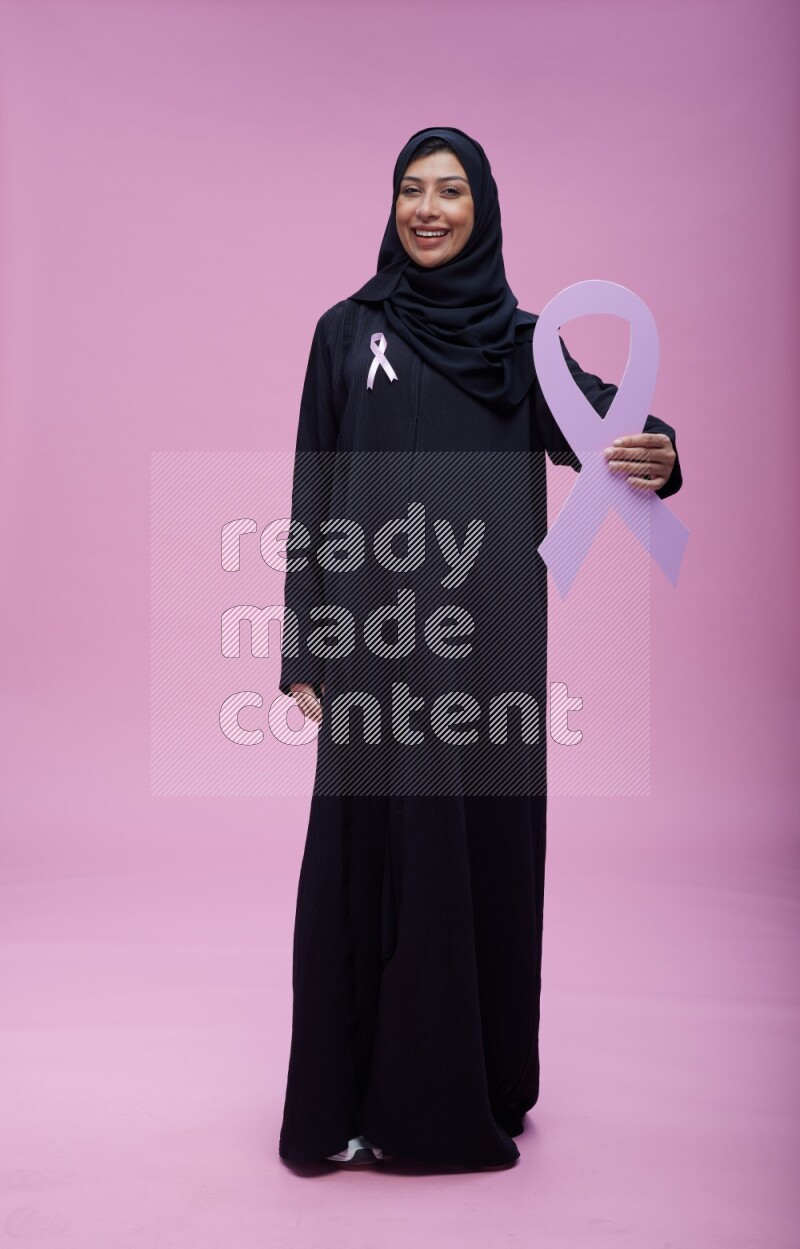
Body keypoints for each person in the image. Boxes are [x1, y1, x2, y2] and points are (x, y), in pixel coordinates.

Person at [277, 126, 682, 1171]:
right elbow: (312, 496)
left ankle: (473, 1088)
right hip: (368, 649)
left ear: (481, 207)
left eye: (448, 190)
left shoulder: (521, 343)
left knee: (474, 855)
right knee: (366, 861)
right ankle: (352, 1100)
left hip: (484, 653)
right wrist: (304, 651)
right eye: (410, 188)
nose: (426, 208)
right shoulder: (343, 331)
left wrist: (659, 451)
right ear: (391, 204)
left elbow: (606, 426)